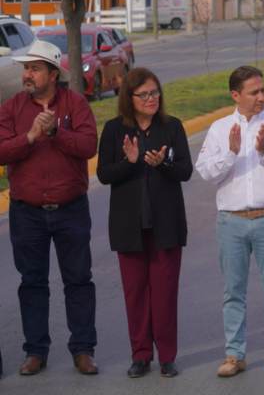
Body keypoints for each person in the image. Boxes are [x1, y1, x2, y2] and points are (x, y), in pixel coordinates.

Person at [195, 66, 264, 379]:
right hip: (232, 222)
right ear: (235, 95)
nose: (262, 97)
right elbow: (207, 173)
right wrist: (230, 152)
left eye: (263, 90)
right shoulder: (219, 128)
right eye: (254, 92)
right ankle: (234, 354)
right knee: (233, 292)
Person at [0, 40, 99, 376]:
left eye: (34, 68)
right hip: (27, 212)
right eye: (25, 68)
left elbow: (88, 146)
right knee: (32, 282)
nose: (27, 74)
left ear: (53, 74)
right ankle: (35, 351)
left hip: (71, 209)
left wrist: (56, 131)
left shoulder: (75, 104)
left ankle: (83, 349)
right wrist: (29, 137)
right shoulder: (12, 107)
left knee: (79, 281)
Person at [97, 68, 193, 379]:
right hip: (129, 227)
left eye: (155, 93)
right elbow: (103, 175)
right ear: (130, 98)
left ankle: (167, 356)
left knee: (165, 295)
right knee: (135, 294)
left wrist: (162, 163)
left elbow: (184, 171)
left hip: (166, 225)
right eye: (144, 94)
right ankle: (140, 355)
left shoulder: (172, 127)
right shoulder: (114, 130)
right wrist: (130, 162)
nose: (152, 99)